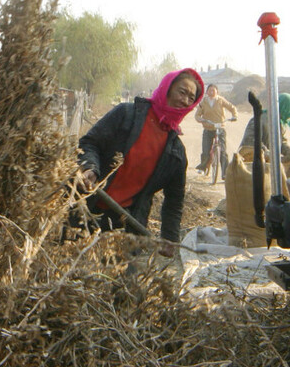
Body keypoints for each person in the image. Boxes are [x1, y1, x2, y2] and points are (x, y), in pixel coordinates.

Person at [77, 68, 203, 251]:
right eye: (182, 92)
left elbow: (174, 201)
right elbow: (89, 143)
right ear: (167, 88)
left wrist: (170, 240)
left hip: (127, 227)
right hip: (86, 206)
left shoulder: (176, 153)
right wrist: (90, 168)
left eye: (191, 98)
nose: (185, 100)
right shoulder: (126, 115)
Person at [239, 92, 290, 181]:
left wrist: (289, 151)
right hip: (253, 161)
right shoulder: (262, 119)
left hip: (269, 158)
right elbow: (250, 141)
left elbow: (281, 141)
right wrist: (267, 153)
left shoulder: (279, 122)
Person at [193, 83, 237, 179]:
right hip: (208, 128)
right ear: (207, 92)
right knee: (206, 150)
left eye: (213, 90)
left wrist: (234, 116)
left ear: (217, 91)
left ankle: (225, 173)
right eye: (210, 90)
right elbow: (197, 115)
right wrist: (200, 119)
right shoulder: (203, 102)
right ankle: (203, 167)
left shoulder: (221, 100)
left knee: (223, 151)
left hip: (220, 128)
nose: (211, 92)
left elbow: (232, 107)